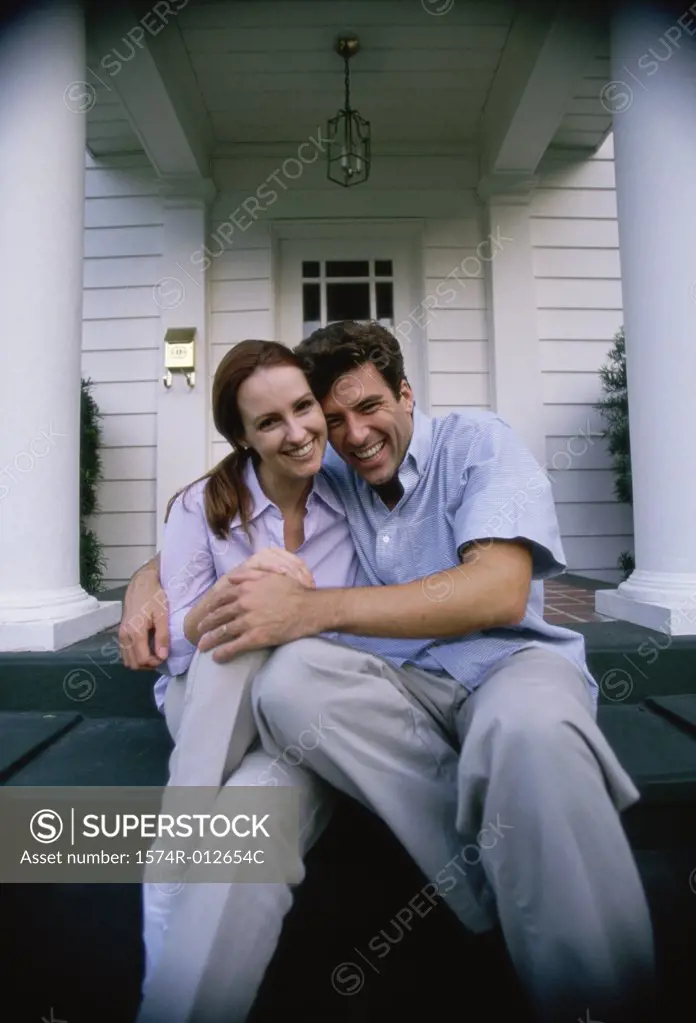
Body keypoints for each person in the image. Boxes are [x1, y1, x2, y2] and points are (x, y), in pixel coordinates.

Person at [122, 321, 655, 1023]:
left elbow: (496, 589)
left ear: (406, 394)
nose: (354, 432)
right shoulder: (330, 462)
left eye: (369, 407)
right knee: (274, 728)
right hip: (369, 703)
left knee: (532, 736)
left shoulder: (476, 443)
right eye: (333, 416)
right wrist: (144, 588)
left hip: (504, 665)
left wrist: (306, 609)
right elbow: (217, 516)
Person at [135, 339, 364, 1022]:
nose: (296, 432)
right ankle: (168, 874)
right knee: (246, 618)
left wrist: (293, 617)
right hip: (209, 699)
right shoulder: (202, 506)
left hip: (305, 713)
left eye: (303, 407)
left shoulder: (355, 494)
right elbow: (172, 643)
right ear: (242, 436)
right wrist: (231, 597)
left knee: (250, 811)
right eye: (269, 422)